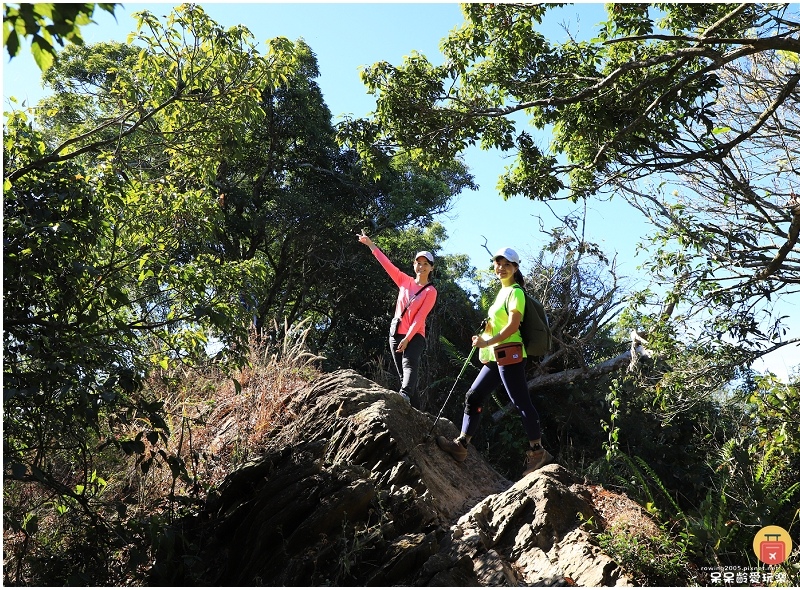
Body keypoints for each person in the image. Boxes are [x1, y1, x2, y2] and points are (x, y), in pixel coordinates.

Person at [436, 247, 553, 477]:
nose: (501, 268)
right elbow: (498, 325)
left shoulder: (515, 292)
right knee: (474, 395)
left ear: (515, 268)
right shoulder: (501, 292)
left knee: (520, 402)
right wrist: (483, 339)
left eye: (507, 264)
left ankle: (537, 451)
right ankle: (462, 445)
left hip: (509, 353)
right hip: (495, 355)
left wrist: (487, 341)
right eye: (498, 263)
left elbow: (512, 326)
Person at [358, 230, 437, 408]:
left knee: (409, 365)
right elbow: (387, 264)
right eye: (418, 263)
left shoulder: (430, 291)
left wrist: (408, 338)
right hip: (395, 334)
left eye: (426, 264)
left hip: (415, 336)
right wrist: (370, 245)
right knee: (404, 377)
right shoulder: (404, 280)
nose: (421, 267)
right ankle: (417, 412)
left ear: (431, 268)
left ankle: (404, 398)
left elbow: (420, 318)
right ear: (414, 265)